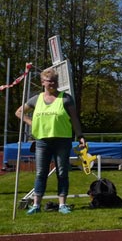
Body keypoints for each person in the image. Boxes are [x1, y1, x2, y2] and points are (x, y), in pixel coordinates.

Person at [15, 67, 86, 215]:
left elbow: (74, 119)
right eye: (49, 81)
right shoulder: (36, 99)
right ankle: (36, 205)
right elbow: (19, 112)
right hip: (42, 141)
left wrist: (80, 136)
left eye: (55, 81)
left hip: (62, 141)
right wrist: (32, 122)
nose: (52, 83)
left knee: (62, 172)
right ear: (42, 82)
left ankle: (62, 205)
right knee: (41, 173)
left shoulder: (66, 98)